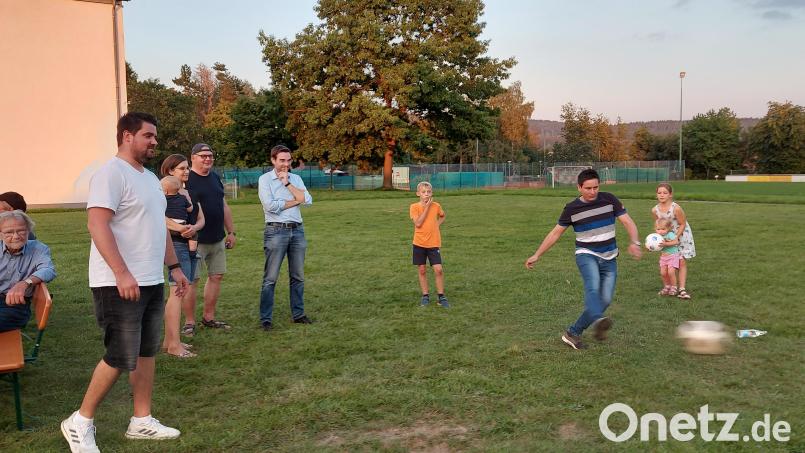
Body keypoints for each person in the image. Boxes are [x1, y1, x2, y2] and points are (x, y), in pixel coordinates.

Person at [61, 112, 189, 453]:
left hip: (150, 279)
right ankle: (80, 421)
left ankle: (141, 420)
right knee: (120, 355)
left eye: (155, 136)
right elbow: (97, 225)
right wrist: (121, 272)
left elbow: (158, 226)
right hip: (117, 283)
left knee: (146, 352)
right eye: (148, 135)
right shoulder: (109, 174)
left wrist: (174, 267)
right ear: (127, 135)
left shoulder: (149, 179)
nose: (154, 142)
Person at [525, 169, 642, 350]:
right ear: (579, 187)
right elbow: (555, 233)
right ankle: (598, 321)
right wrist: (537, 254)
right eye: (588, 188)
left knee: (605, 300)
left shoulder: (609, 199)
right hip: (586, 254)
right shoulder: (572, 208)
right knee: (593, 287)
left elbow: (627, 221)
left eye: (595, 187)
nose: (593, 192)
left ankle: (573, 333)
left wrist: (635, 242)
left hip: (610, 257)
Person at [257, 144, 313, 331]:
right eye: (282, 160)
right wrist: (295, 199)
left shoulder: (295, 178)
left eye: (288, 160)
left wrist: (288, 183)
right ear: (273, 160)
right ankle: (266, 318)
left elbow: (307, 201)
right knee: (270, 278)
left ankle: (298, 314)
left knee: (298, 276)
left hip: (297, 231)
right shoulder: (265, 180)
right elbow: (270, 207)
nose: (285, 164)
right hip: (276, 232)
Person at [185, 143, 235, 330]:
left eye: (210, 156)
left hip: (217, 237)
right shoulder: (186, 178)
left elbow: (224, 206)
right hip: (195, 240)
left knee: (217, 276)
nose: (208, 159)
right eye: (203, 155)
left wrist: (231, 232)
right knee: (192, 281)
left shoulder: (214, 177)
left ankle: (208, 318)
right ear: (193, 157)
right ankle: (189, 323)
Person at [159, 174, 199, 358]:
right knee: (178, 291)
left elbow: (199, 216)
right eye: (182, 169)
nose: (186, 173)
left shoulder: (180, 195)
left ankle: (170, 340)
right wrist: (182, 229)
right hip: (176, 244)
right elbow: (161, 218)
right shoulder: (168, 198)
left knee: (178, 292)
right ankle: (174, 345)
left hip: (179, 242)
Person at [0, 210, 56, 332]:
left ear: (28, 231)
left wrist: (25, 283)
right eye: (9, 232)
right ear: (0, 234)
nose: (16, 236)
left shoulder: (38, 249)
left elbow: (48, 270)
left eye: (21, 231)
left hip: (14, 307)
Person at [652, 183, 695, 300]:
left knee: (681, 262)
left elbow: (682, 223)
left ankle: (682, 289)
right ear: (656, 194)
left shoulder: (676, 208)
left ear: (670, 195)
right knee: (668, 264)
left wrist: (676, 237)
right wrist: (657, 240)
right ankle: (670, 287)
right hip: (667, 238)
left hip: (681, 236)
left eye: (665, 193)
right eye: (659, 193)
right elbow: (658, 225)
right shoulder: (655, 210)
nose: (662, 195)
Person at [409, 181, 449, 308]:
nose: (426, 194)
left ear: (432, 193)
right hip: (419, 243)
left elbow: (442, 216)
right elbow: (418, 223)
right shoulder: (414, 207)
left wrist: (436, 225)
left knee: (438, 269)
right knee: (422, 270)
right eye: (423, 192)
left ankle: (441, 296)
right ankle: (425, 296)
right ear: (418, 194)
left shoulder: (436, 206)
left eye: (429, 192)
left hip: (433, 243)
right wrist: (426, 207)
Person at [654, 218, 681, 296]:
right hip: (663, 257)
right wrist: (651, 248)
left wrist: (666, 244)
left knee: (671, 272)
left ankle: (674, 287)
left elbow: (676, 242)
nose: (660, 231)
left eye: (663, 229)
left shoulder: (670, 234)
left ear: (668, 228)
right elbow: (656, 246)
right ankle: (667, 286)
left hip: (673, 256)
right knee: (663, 273)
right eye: (658, 229)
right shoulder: (656, 237)